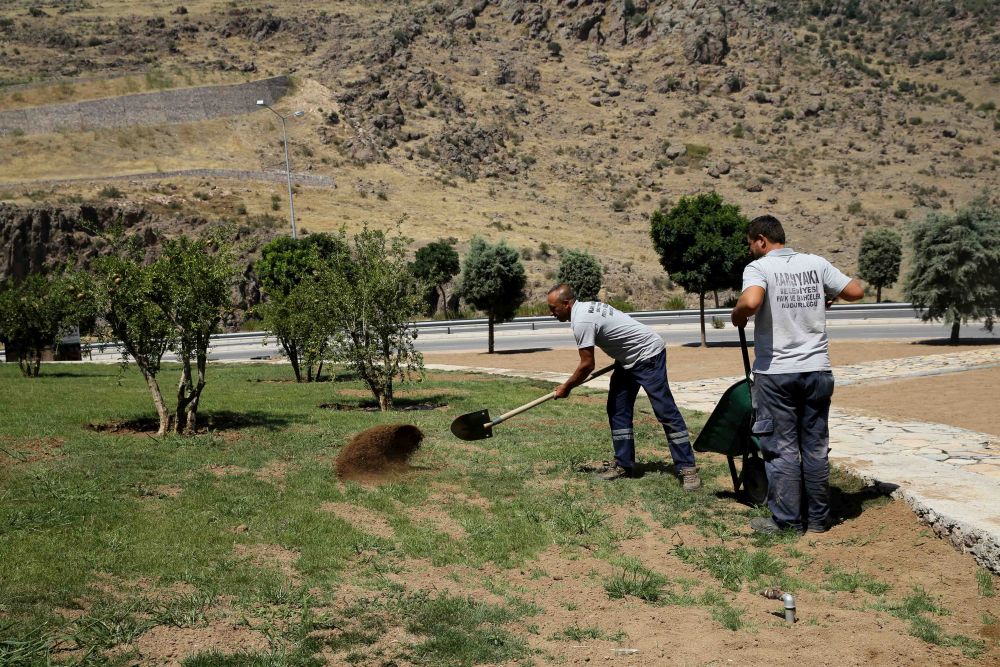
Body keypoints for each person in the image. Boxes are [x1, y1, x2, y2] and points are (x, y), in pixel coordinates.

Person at [730, 215, 864, 534]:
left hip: (777, 373)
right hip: (817, 370)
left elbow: (751, 301)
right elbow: (856, 291)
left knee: (782, 448)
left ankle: (788, 521)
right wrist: (827, 296)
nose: (750, 250)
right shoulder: (815, 263)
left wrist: (737, 315)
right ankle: (818, 520)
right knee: (815, 447)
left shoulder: (759, 268)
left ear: (762, 240)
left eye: (750, 243)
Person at [547, 284, 701, 490]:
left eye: (553, 308)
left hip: (648, 355)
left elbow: (587, 365)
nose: (551, 313)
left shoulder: (581, 320)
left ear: (566, 304)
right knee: (618, 409)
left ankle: (687, 468)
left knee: (665, 410)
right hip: (627, 360)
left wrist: (566, 387)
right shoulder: (584, 309)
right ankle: (624, 464)